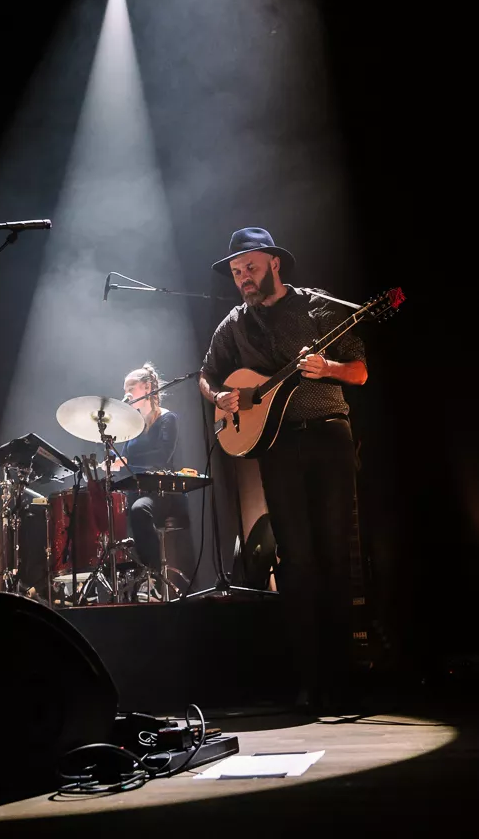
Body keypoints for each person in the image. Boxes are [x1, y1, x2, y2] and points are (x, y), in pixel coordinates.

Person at [199, 227, 368, 710]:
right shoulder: (234, 323)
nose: (243, 278)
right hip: (277, 446)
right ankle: (309, 680)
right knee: (296, 559)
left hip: (328, 435)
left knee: (334, 553)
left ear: (274, 263)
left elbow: (359, 370)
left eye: (250, 267)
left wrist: (327, 368)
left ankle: (344, 676)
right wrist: (220, 396)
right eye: (236, 272)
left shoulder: (319, 307)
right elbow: (207, 376)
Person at [109, 363, 189, 578]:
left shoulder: (167, 418)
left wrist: (126, 460)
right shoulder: (133, 427)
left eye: (131, 388)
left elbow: (162, 456)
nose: (126, 394)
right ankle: (124, 576)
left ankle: (152, 574)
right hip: (137, 490)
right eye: (125, 389)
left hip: (162, 491)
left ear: (147, 387)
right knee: (111, 513)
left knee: (139, 510)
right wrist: (112, 461)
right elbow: (123, 459)